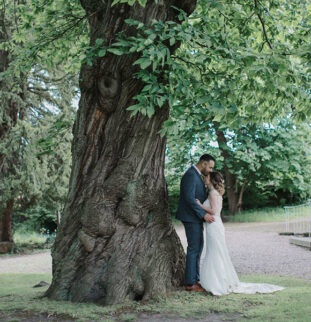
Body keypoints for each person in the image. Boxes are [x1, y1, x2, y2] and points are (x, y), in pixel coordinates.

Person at [197, 171, 285, 295]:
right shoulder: (214, 193)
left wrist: (200, 205)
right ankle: (219, 280)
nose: (205, 178)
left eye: (207, 177)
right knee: (217, 251)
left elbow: (214, 210)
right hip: (216, 224)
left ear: (212, 180)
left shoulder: (212, 193)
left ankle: (218, 282)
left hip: (214, 224)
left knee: (215, 252)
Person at [176, 154, 216, 292]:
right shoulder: (190, 175)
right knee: (194, 249)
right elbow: (189, 198)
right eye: (210, 167)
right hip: (190, 217)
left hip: (195, 217)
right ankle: (190, 283)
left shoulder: (196, 175)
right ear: (203, 163)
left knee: (198, 247)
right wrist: (203, 214)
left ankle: (195, 279)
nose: (210, 170)